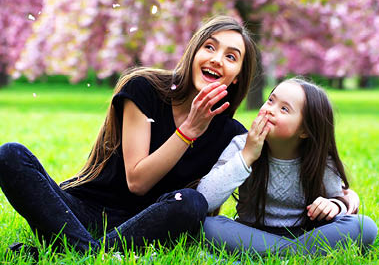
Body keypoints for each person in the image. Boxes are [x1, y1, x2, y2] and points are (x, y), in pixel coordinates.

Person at [0, 16, 258, 254]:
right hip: (83, 211)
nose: (216, 59)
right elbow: (137, 181)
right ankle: (91, 252)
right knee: (10, 155)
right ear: (194, 52)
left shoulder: (232, 135)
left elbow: (262, 197)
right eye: (210, 47)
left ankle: (78, 250)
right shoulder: (145, 88)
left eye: (231, 57)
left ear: (236, 77)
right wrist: (188, 131)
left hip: (148, 227)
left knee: (191, 202)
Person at [197, 77, 378, 255]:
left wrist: (334, 205)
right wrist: (247, 156)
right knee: (206, 225)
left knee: (365, 226)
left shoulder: (320, 159)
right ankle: (295, 254)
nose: (270, 110)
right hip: (251, 232)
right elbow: (205, 199)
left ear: (305, 130)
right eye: (270, 101)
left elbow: (339, 201)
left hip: (305, 234)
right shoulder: (241, 145)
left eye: (284, 109)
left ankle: (278, 253)